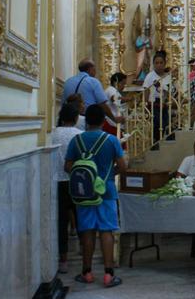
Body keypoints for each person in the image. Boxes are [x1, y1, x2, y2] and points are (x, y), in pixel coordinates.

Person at [65, 104, 126, 288]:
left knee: (87, 232)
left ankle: (87, 272)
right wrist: (108, 176)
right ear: (102, 121)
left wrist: (85, 178)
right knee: (106, 231)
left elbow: (68, 166)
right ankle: (108, 274)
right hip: (106, 191)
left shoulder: (76, 141)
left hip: (84, 194)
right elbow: (123, 167)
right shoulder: (112, 140)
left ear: (85, 121)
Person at [51, 102, 82, 274]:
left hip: (57, 181)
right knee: (81, 217)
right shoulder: (79, 135)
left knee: (61, 221)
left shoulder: (52, 134)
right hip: (76, 181)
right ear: (76, 118)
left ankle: (62, 259)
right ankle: (85, 254)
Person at [61, 59, 120, 128]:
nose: (95, 71)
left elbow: (64, 103)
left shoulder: (68, 81)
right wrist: (114, 119)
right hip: (87, 122)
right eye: (95, 68)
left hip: (70, 122)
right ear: (90, 68)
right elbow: (102, 104)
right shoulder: (93, 81)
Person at [142, 50, 172, 147]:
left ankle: (162, 142)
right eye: (156, 63)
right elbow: (146, 91)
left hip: (164, 105)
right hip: (153, 105)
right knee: (157, 124)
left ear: (164, 63)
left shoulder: (168, 76)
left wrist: (167, 101)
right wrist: (145, 105)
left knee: (165, 124)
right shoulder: (150, 76)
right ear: (153, 64)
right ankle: (155, 143)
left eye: (161, 63)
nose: (159, 65)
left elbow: (168, 92)